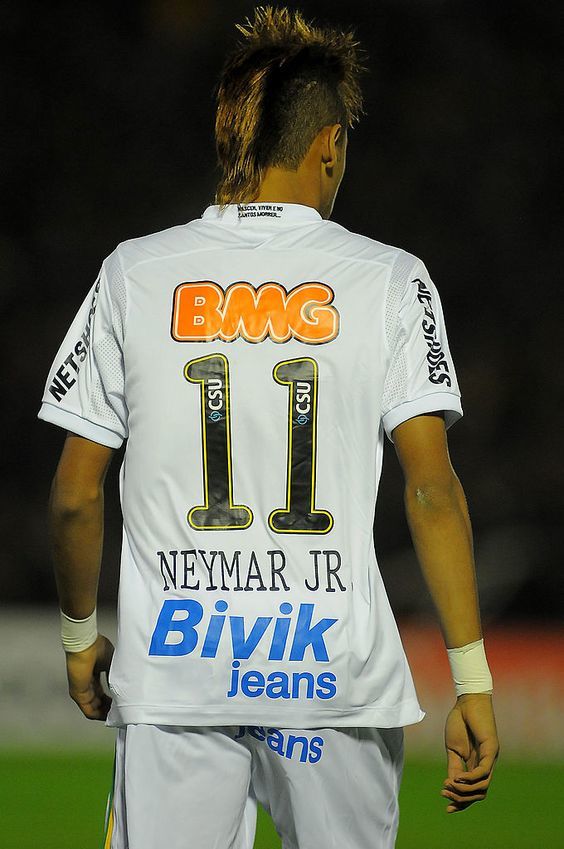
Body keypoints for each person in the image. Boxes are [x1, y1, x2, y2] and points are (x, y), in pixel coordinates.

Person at [39, 6, 499, 848]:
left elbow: (75, 493)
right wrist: (471, 678)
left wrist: (77, 638)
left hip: (178, 676)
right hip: (334, 679)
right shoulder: (391, 280)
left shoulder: (135, 273)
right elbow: (432, 489)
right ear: (329, 146)